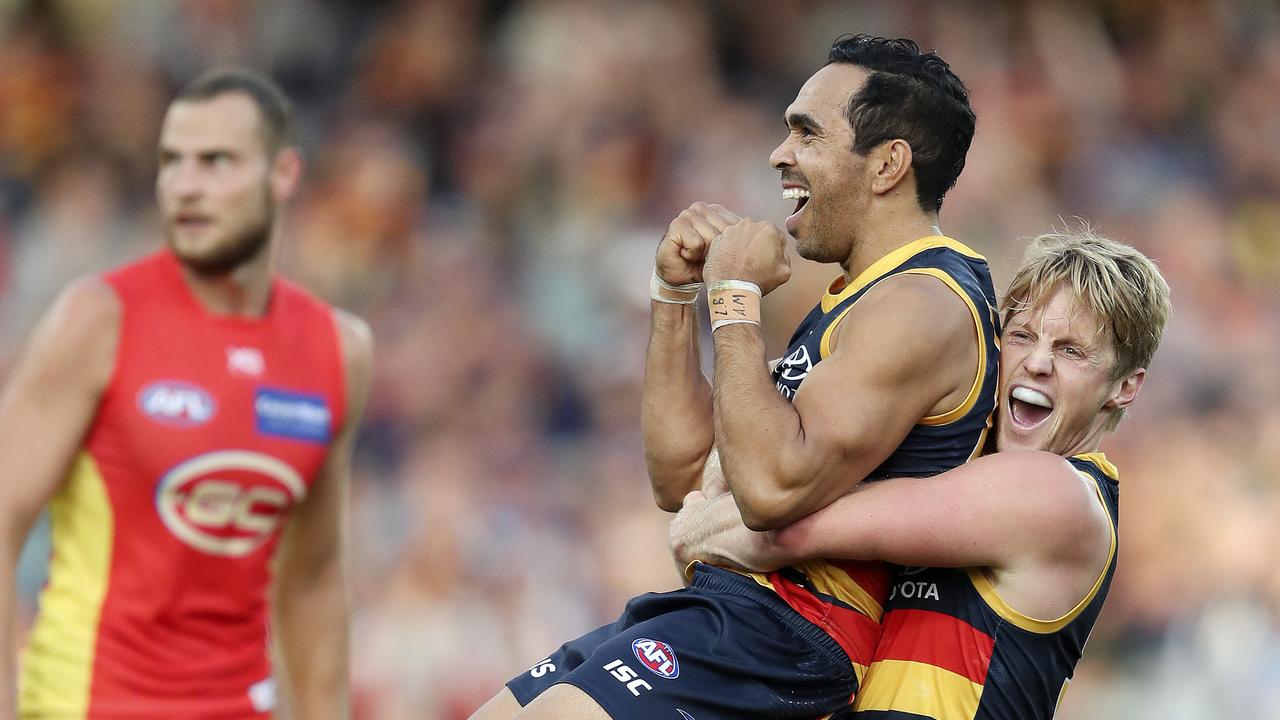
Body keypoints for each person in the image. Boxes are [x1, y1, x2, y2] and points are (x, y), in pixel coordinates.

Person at [472, 34, 996, 720]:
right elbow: (681, 477)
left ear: (888, 165)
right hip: (730, 610)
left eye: (806, 133)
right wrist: (673, 295)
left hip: (791, 633)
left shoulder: (925, 304)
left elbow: (773, 489)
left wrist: (736, 299)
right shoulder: (858, 301)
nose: (780, 155)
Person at [670, 230, 1172, 719]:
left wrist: (702, 529)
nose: (1037, 363)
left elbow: (789, 528)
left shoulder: (1058, 494)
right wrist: (670, 292)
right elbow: (721, 452)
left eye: (1071, 351)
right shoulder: (955, 458)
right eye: (1021, 335)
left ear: (1125, 387)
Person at [0, 68, 372, 719]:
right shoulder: (99, 319)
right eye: (171, 161)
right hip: (86, 703)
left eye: (216, 161)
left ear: (283, 175)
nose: (185, 186)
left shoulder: (337, 352)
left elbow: (312, 578)